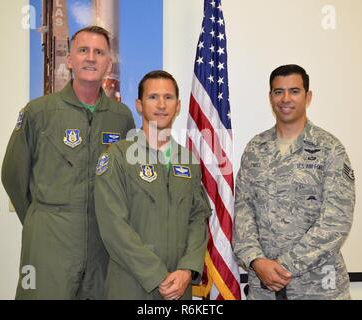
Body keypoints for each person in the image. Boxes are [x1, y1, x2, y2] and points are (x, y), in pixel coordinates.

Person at [1, 26, 135, 299]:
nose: (90, 58)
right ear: (70, 59)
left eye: (99, 52)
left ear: (108, 63)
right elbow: (12, 174)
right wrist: (42, 220)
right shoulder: (39, 112)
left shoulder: (121, 118)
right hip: (49, 243)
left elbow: (127, 182)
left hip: (102, 244)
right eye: (83, 50)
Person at [232, 64, 355, 300]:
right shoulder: (255, 149)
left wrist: (283, 266)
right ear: (270, 97)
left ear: (308, 97)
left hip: (318, 289)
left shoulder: (330, 149)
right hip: (263, 289)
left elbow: (336, 221)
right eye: (278, 92)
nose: (285, 98)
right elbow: (243, 210)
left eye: (294, 91)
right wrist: (256, 261)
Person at [94, 70, 211, 300]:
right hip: (131, 285)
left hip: (179, 287)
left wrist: (187, 269)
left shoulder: (188, 160)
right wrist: (157, 275)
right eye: (152, 97)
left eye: (168, 98)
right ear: (139, 105)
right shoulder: (118, 156)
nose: (161, 104)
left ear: (178, 106)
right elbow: (114, 226)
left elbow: (198, 219)